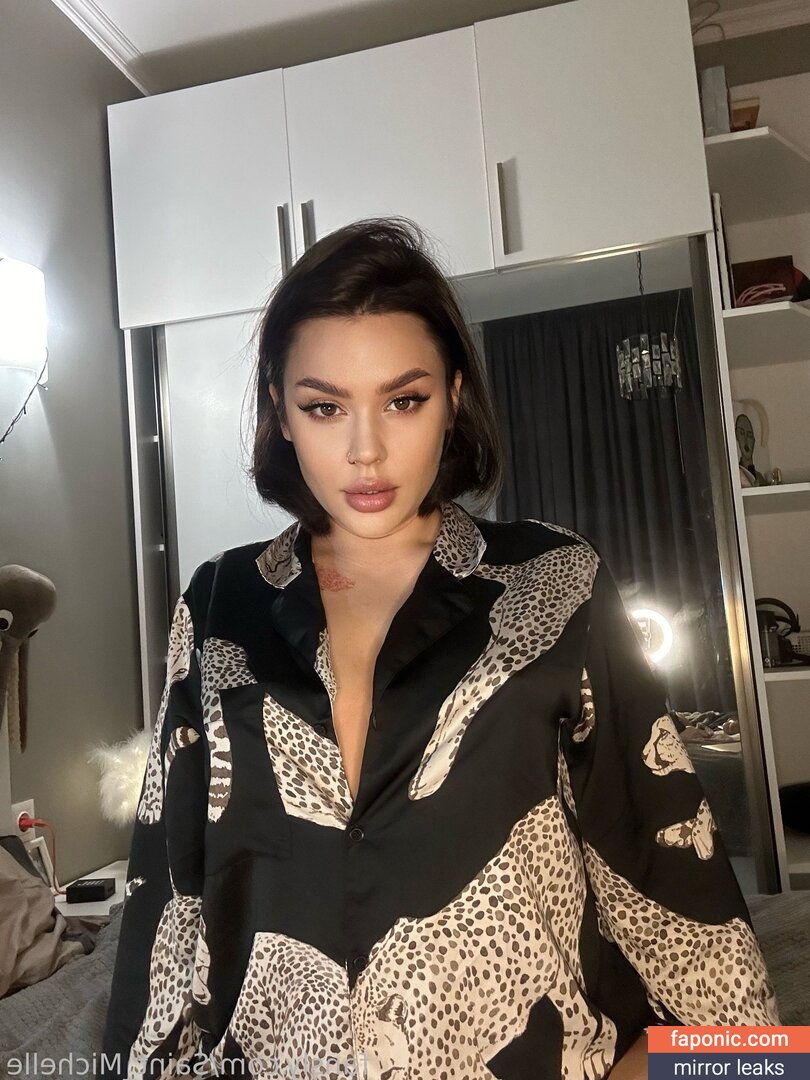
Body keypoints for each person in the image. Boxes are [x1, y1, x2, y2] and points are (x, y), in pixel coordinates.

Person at [100, 218, 780, 1080]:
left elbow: (671, 868)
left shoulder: (555, 581)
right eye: (324, 407)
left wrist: (723, 1062)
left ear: (454, 396)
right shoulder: (218, 602)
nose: (366, 451)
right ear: (281, 412)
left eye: (404, 400)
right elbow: (168, 898)